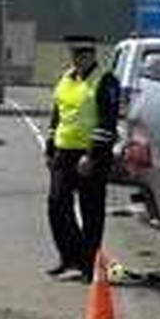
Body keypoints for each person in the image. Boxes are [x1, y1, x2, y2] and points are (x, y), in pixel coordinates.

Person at [45, 33, 120, 282]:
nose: (76, 60)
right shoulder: (66, 78)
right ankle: (70, 256)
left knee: (91, 212)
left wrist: (92, 156)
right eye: (73, 55)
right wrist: (50, 147)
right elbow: (58, 114)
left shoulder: (105, 80)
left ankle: (89, 265)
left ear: (91, 55)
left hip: (92, 154)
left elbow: (107, 122)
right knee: (57, 205)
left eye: (81, 55)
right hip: (64, 152)